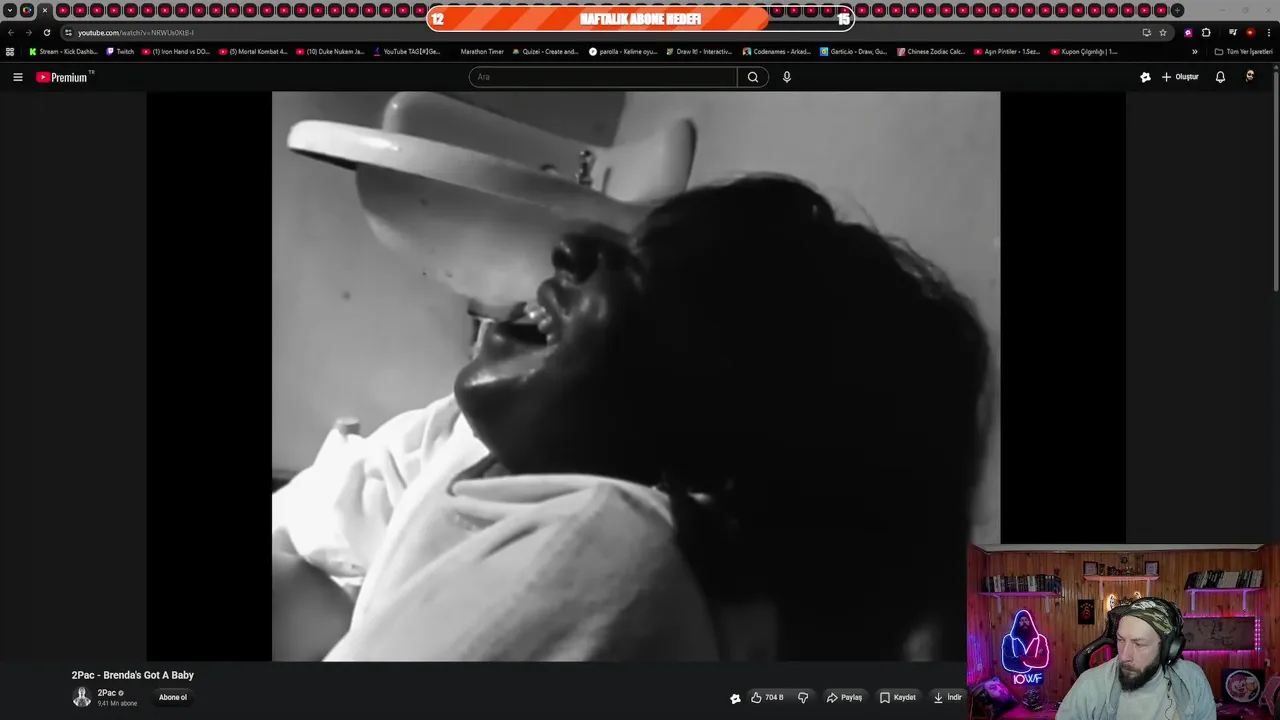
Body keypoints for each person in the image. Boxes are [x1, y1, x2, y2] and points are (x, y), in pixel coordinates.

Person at [271, 174, 993, 662]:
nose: (570, 248)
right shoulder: (488, 449)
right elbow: (333, 516)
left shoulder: (598, 547)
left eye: (649, 276)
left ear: (723, 443)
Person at [1058, 597, 1215, 720]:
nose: (1124, 656)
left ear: (1168, 649)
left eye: (1139, 644)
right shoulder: (1089, 686)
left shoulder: (1193, 680)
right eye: (1120, 640)